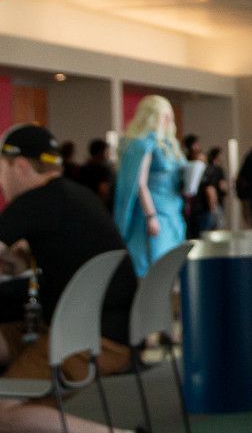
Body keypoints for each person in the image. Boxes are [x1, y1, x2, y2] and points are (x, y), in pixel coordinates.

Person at [0, 124, 142, 433]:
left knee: (2, 413)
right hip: (113, 330)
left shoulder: (33, 201)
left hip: (84, 338)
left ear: (20, 166)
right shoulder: (76, 195)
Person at [111, 96, 187, 277]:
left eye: (169, 116)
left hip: (172, 210)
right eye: (164, 116)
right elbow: (140, 183)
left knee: (171, 264)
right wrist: (151, 215)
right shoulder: (142, 144)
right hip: (153, 211)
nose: (168, 120)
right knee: (155, 264)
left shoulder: (168, 144)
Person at [70, 139, 113, 210]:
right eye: (106, 151)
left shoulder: (81, 169)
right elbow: (103, 191)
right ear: (101, 152)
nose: (107, 154)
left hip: (82, 205)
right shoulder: (103, 170)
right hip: (97, 207)